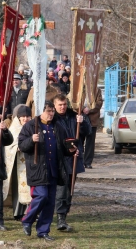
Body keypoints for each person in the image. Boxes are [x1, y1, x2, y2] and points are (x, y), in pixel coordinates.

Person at [18, 101, 77, 241]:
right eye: (48, 111)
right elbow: (22, 145)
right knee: (41, 196)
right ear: (41, 111)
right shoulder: (30, 126)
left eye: (52, 111)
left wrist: (72, 150)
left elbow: (64, 147)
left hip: (53, 170)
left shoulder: (58, 127)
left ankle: (43, 230)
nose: (51, 114)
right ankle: (27, 220)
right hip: (38, 170)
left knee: (50, 202)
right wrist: (31, 140)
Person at [53, 94, 91, 231]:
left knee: (69, 188)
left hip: (74, 157)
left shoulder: (74, 116)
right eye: (59, 105)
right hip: (60, 158)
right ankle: (60, 217)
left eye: (64, 104)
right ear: (55, 105)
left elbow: (87, 132)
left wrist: (83, 122)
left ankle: (64, 213)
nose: (62, 107)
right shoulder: (52, 118)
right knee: (61, 188)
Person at [3, 105, 32, 221]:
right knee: (18, 188)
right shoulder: (14, 128)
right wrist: (18, 148)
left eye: (28, 116)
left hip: (29, 163)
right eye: (23, 117)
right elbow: (10, 145)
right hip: (17, 163)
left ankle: (27, 212)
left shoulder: (32, 127)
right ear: (19, 117)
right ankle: (18, 212)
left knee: (28, 188)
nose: (25, 119)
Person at [83, 87, 103, 169]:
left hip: (92, 120)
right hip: (80, 119)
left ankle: (87, 162)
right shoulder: (80, 87)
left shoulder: (97, 90)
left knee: (90, 142)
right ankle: (78, 161)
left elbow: (99, 103)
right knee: (79, 141)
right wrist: (82, 109)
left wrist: (90, 109)